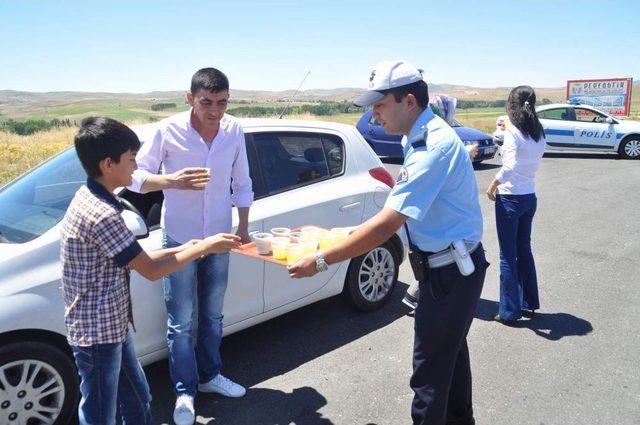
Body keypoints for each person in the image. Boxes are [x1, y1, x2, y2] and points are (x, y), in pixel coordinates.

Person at [289, 60, 488, 425]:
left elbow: (388, 225)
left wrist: (321, 259)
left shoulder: (432, 147)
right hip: (448, 271)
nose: (374, 115)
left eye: (379, 105)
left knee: (429, 378)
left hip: (449, 276)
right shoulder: (417, 136)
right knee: (451, 363)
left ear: (408, 101)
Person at [61, 117, 241, 425]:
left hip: (112, 326)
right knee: (99, 414)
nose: (135, 169)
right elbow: (151, 269)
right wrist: (204, 247)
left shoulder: (90, 196)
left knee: (137, 399)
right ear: (108, 164)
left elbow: (136, 256)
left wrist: (192, 244)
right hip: (98, 335)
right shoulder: (103, 215)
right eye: (131, 160)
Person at [129, 68, 253, 425]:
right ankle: (185, 392)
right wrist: (172, 181)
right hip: (180, 239)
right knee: (181, 322)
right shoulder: (168, 131)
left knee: (213, 314)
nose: (215, 111)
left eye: (222, 103)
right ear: (190, 99)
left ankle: (211, 376)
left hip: (219, 237)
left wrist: (243, 227)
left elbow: (242, 182)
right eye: (207, 103)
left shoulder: (233, 131)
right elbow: (135, 176)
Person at [486, 86, 546, 322]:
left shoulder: (514, 132)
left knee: (508, 256)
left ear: (512, 105)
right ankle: (528, 302)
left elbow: (509, 167)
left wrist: (493, 184)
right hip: (529, 197)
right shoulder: (538, 131)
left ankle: (509, 312)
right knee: (524, 250)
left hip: (510, 199)